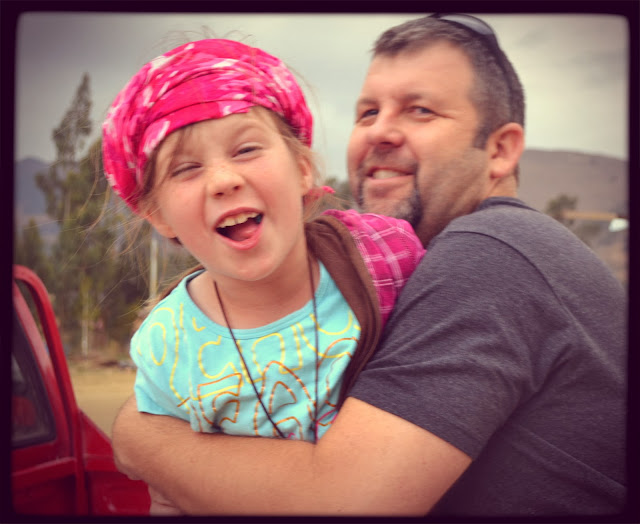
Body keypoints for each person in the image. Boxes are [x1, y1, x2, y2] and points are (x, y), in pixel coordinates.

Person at [111, 15, 627, 517]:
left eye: (420, 110)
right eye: (367, 113)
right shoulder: (406, 269)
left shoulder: (493, 253)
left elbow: (344, 501)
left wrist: (140, 437)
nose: (380, 132)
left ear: (500, 150)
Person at [101, 38, 425, 511]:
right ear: (158, 216)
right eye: (186, 169)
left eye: (247, 149)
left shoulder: (384, 256)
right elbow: (168, 494)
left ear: (302, 169)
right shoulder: (167, 344)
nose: (223, 180)